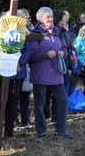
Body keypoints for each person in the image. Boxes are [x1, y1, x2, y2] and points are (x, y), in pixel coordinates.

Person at [28, 7, 72, 139]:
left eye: (52, 17)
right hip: (41, 74)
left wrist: (63, 53)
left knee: (63, 100)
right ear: (40, 19)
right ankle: (41, 131)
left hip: (56, 73)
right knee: (40, 103)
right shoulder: (35, 34)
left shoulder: (58, 32)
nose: (50, 19)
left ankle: (61, 130)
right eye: (47, 17)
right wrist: (46, 54)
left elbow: (64, 47)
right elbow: (32, 54)